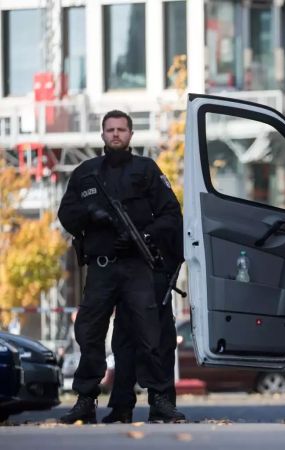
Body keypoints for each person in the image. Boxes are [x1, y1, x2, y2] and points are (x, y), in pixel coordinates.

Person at [57, 110, 186, 424]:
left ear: (130, 135)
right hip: (101, 269)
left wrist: (142, 236)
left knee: (150, 334)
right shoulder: (85, 173)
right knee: (89, 333)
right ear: (102, 135)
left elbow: (171, 215)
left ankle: (160, 400)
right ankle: (85, 401)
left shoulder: (146, 170)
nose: (115, 134)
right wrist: (91, 214)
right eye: (110, 129)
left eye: (121, 129)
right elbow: (67, 214)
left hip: (137, 268)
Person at [102, 218, 183, 423]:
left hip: (153, 271)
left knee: (159, 341)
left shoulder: (153, 187)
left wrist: (165, 266)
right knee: (123, 344)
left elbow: (172, 220)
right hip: (126, 271)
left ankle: (161, 402)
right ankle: (122, 406)